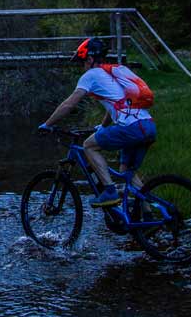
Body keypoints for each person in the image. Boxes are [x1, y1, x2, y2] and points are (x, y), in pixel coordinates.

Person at [38, 37, 157, 208]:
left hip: (132, 128)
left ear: (90, 59)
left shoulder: (91, 75)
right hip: (147, 125)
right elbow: (115, 105)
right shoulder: (111, 73)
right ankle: (147, 217)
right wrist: (103, 126)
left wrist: (47, 124)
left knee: (89, 146)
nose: (82, 67)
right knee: (127, 173)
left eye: (82, 62)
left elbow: (70, 103)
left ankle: (109, 190)